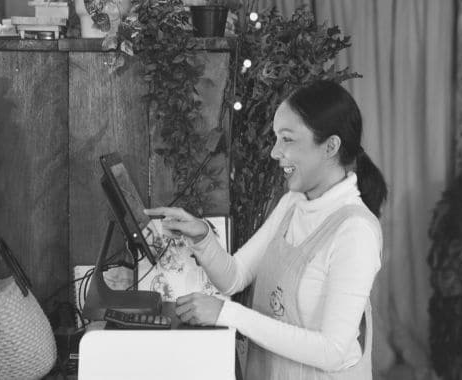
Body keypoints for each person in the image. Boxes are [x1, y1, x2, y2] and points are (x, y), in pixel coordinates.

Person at [145, 80, 387, 379]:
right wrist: (202, 237)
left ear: (330, 146)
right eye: (276, 139)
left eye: (287, 139)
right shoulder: (292, 205)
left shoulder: (356, 232)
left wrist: (227, 313)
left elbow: (333, 351)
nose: (274, 152)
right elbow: (234, 277)